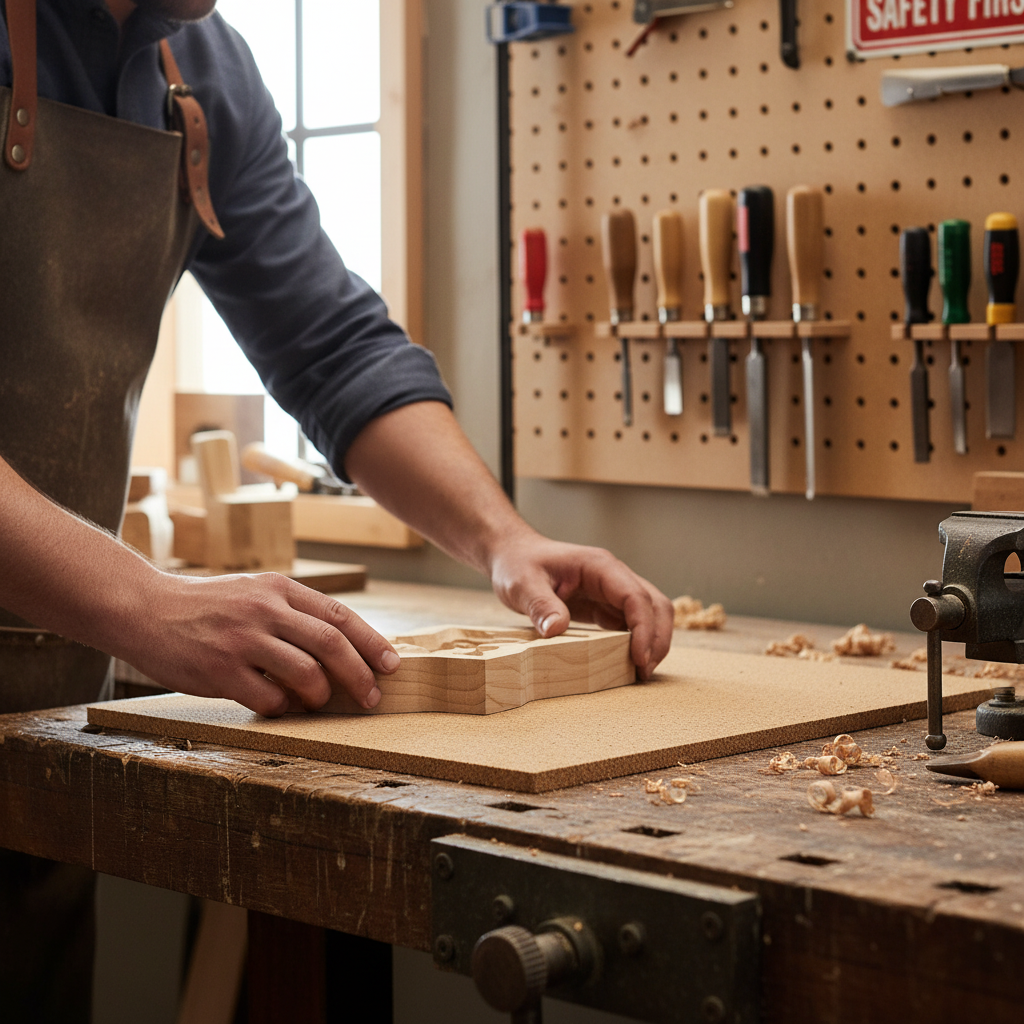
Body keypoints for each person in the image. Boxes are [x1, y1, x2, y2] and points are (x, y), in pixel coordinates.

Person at [0, 1, 673, 1018]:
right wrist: (147, 602)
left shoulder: (200, 67)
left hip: (31, 695)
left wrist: (506, 539)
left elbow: (329, 344)